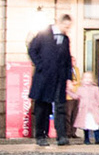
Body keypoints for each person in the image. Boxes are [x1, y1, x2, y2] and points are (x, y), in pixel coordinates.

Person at [28, 13, 75, 147]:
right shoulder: (43, 35)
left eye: (69, 26)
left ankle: (61, 136)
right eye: (66, 26)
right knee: (42, 107)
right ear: (59, 23)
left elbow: (67, 60)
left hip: (59, 79)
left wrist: (68, 79)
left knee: (60, 107)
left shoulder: (65, 39)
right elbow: (32, 50)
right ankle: (41, 135)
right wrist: (40, 65)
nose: (67, 29)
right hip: (44, 78)